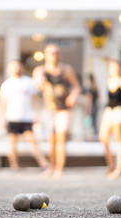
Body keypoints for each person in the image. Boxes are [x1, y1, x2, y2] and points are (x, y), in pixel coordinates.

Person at [32, 44, 81, 178]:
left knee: (61, 138)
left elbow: (76, 86)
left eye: (56, 53)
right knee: (51, 140)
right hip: (50, 109)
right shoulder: (41, 70)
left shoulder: (66, 70)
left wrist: (73, 95)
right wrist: (39, 81)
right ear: (46, 55)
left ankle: (60, 168)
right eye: (51, 53)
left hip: (64, 109)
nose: (54, 56)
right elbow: (36, 84)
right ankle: (51, 166)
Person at [0, 60, 48, 170]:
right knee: (12, 143)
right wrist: (1, 118)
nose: (16, 68)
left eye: (17, 65)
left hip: (26, 117)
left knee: (32, 141)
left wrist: (37, 114)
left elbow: (35, 100)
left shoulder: (29, 82)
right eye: (13, 66)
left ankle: (43, 163)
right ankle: (14, 165)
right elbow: (2, 103)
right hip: (12, 117)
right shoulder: (6, 84)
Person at [98, 60, 121, 179]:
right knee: (103, 137)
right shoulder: (109, 81)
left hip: (119, 110)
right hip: (108, 111)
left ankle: (120, 167)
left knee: (119, 139)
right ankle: (111, 165)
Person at [84, 74, 99, 140]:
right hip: (95, 105)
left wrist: (88, 109)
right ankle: (95, 135)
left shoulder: (89, 89)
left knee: (89, 121)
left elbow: (89, 100)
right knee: (94, 121)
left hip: (91, 106)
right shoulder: (95, 87)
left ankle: (90, 136)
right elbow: (99, 96)